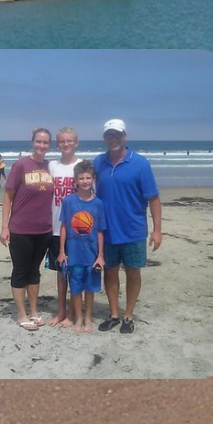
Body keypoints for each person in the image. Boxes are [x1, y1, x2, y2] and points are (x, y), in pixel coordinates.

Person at [93, 118, 161, 334]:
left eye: (117, 134)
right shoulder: (98, 162)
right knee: (110, 272)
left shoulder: (140, 163)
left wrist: (157, 230)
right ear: (104, 138)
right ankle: (114, 314)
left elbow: (153, 198)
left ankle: (128, 315)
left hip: (133, 230)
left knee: (132, 272)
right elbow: (83, 185)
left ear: (125, 136)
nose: (113, 139)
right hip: (106, 231)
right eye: (109, 135)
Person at [0, 128, 55, 331]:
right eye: (39, 141)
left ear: (49, 145)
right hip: (20, 229)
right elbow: (8, 196)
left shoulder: (51, 167)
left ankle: (34, 311)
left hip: (44, 229)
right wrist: (4, 226)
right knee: (20, 271)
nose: (42, 145)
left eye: (45, 142)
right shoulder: (21, 165)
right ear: (32, 142)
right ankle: (21, 315)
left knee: (34, 271)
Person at [57, 160, 107, 334]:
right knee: (76, 289)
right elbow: (64, 227)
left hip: (92, 256)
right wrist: (62, 251)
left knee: (90, 290)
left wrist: (100, 255)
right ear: (75, 181)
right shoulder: (68, 202)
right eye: (81, 178)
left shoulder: (98, 203)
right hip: (74, 255)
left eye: (88, 178)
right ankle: (78, 318)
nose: (85, 181)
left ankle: (87, 319)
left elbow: (100, 231)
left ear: (93, 179)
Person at [44, 128, 81, 328]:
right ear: (57, 145)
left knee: (76, 272)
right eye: (62, 141)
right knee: (61, 273)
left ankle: (74, 313)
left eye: (69, 141)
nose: (66, 144)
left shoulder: (82, 165)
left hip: (78, 229)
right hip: (56, 229)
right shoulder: (52, 166)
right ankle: (61, 312)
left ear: (76, 143)